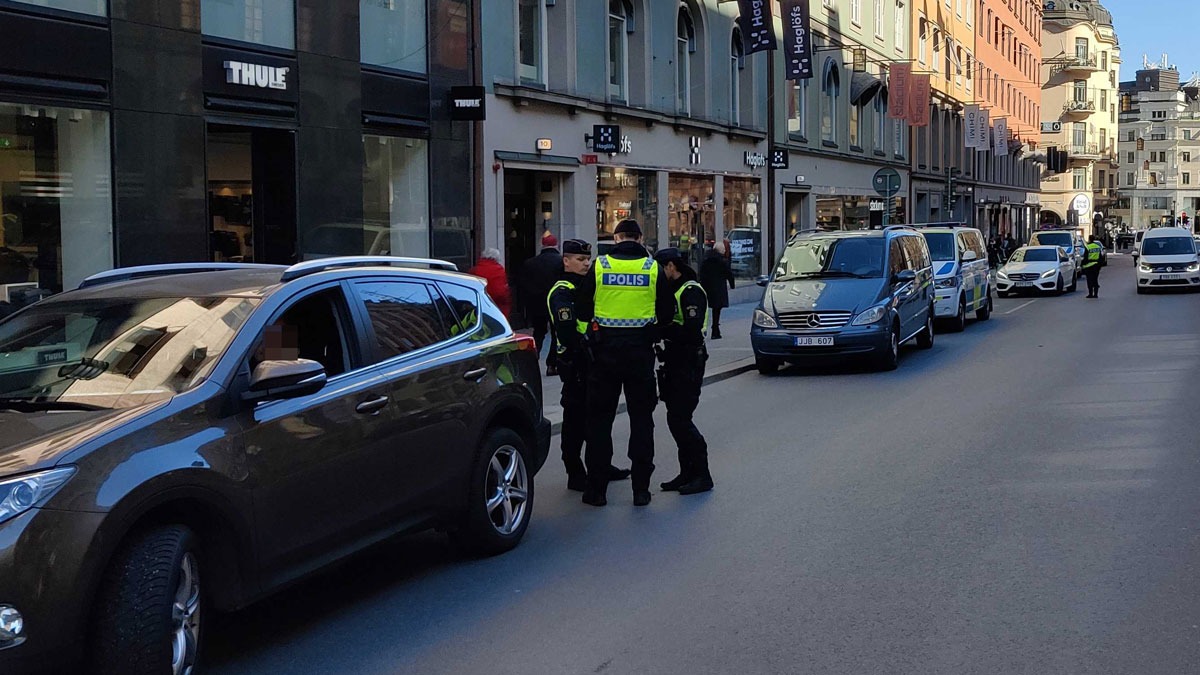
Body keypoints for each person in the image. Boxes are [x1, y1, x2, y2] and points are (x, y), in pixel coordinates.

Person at [574, 219, 674, 507]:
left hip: (604, 354)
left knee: (599, 422)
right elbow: (666, 314)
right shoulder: (652, 268)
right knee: (642, 422)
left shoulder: (601, 266)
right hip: (640, 355)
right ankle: (641, 490)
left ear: (616, 238)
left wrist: (595, 328)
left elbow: (581, 309)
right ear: (640, 239)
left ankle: (596, 491)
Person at [546, 239, 631, 491]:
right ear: (566, 261)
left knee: (599, 417)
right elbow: (567, 330)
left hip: (595, 361)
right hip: (575, 363)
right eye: (580, 260)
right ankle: (575, 471)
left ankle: (601, 465)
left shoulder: (588, 285)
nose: (586, 264)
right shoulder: (562, 291)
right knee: (575, 420)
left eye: (587, 260)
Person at [654, 247, 714, 495]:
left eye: (660, 269)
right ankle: (687, 472)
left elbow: (691, 330)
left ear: (670, 266)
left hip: (689, 360)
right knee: (674, 417)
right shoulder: (677, 290)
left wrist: (662, 330)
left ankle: (702, 474)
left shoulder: (690, 291)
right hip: (676, 360)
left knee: (681, 419)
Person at [522, 232, 563, 375]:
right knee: (555, 334)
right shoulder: (561, 262)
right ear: (556, 245)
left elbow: (524, 286)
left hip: (536, 303)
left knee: (538, 332)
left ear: (542, 245)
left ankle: (534, 358)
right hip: (555, 302)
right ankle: (552, 364)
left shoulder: (530, 263)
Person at [699, 241, 735, 340]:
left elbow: (701, 272)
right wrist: (732, 285)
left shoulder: (706, 259)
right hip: (718, 288)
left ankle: (700, 328)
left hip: (706, 287)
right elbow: (729, 273)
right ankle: (715, 329)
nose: (724, 251)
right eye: (723, 250)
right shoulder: (722, 261)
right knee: (716, 309)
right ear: (721, 250)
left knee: (703, 308)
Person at [469, 248, 512, 318]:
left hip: (480, 303)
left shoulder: (474, 270)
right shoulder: (499, 269)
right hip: (497, 304)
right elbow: (501, 291)